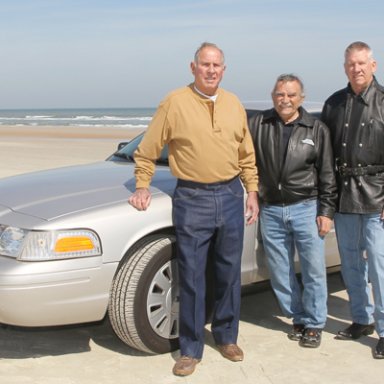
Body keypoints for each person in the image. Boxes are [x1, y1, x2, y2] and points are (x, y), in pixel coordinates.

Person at [128, 42, 259, 376]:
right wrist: (142, 185)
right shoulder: (174, 102)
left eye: (217, 65)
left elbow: (246, 154)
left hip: (231, 194)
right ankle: (190, 349)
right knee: (192, 276)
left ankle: (227, 336)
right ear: (193, 67)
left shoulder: (233, 103)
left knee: (229, 273)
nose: (211, 70)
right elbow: (147, 150)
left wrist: (252, 191)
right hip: (192, 197)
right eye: (205, 64)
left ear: (224, 69)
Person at [248, 74, 337, 348]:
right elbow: (242, 157)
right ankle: (297, 315)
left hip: (306, 207)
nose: (284, 99)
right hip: (271, 210)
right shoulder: (259, 123)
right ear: (273, 95)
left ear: (301, 98)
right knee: (279, 270)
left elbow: (327, 173)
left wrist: (326, 211)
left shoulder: (316, 128)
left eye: (291, 94)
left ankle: (314, 323)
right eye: (279, 94)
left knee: (313, 270)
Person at [321, 41, 384, 359]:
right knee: (350, 264)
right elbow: (326, 157)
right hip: (344, 196)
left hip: (377, 196)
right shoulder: (333, 104)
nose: (356, 68)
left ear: (373, 65)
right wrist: (326, 204)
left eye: (361, 63)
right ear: (344, 66)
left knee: (379, 265)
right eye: (350, 64)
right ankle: (361, 319)